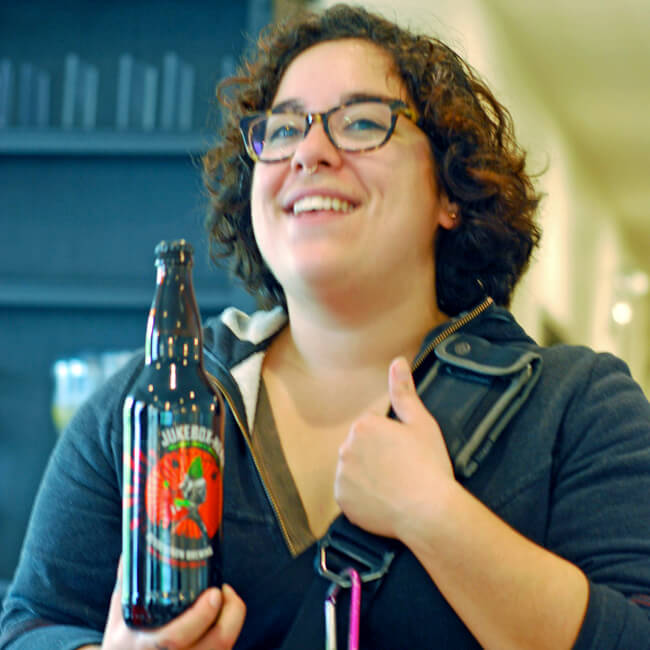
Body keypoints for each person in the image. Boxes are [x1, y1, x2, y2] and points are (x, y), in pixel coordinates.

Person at [1, 3, 649, 649]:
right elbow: (31, 622)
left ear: (451, 190)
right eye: (283, 131)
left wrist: (440, 519)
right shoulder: (150, 402)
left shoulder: (575, 409)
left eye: (363, 122)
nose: (309, 152)